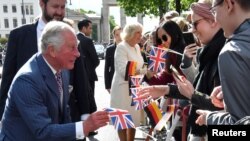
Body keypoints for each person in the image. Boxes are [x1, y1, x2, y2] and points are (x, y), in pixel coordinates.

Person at [0, 21, 109, 141]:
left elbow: (64, 114)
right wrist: (84, 126)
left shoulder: (61, 69)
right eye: (72, 48)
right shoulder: (27, 81)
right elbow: (43, 132)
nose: (78, 54)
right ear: (52, 50)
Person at [0, 0, 67, 119]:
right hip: (26, 115)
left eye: (63, 7)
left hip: (63, 116)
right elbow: (8, 78)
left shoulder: (70, 35)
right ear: (42, 4)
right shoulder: (18, 35)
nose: (60, 12)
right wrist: (3, 114)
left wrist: (85, 114)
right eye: (55, 7)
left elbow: (79, 78)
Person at [195, 0, 250, 125]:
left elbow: (239, 127)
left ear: (229, 4)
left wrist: (209, 118)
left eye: (214, 10)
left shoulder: (232, 52)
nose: (215, 18)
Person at [110, 22, 146, 141]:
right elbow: (123, 71)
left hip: (135, 87)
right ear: (130, 33)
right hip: (122, 89)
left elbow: (138, 65)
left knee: (133, 119)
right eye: (138, 33)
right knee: (122, 119)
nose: (141, 36)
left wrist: (144, 70)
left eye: (141, 33)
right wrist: (144, 71)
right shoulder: (121, 47)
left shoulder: (136, 47)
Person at [104, 26, 122, 93]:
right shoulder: (110, 49)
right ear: (114, 35)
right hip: (113, 80)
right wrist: (107, 85)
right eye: (117, 35)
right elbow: (106, 68)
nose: (119, 37)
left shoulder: (128, 48)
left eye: (121, 34)